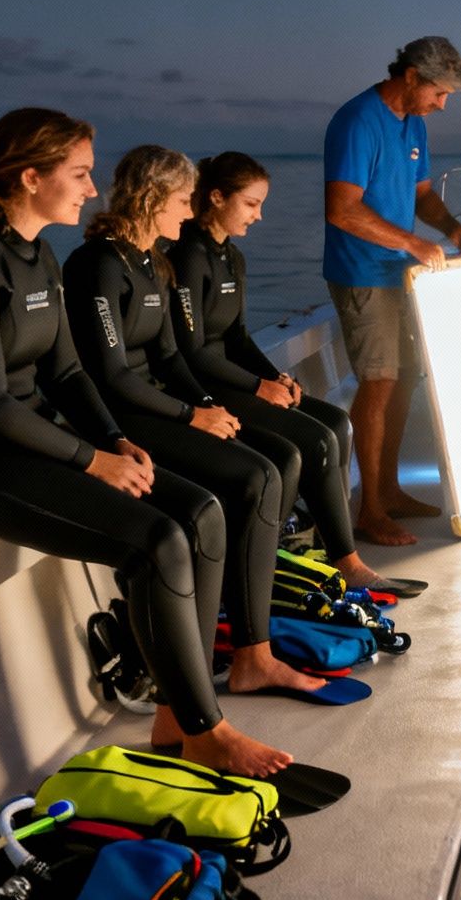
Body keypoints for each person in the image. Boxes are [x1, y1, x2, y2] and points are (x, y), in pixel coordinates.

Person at [0, 108, 291, 776]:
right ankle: (206, 730)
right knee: (154, 540)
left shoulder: (38, 253)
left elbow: (69, 372)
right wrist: (92, 460)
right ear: (31, 177)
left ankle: (176, 717)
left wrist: (114, 438)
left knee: (199, 512)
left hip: (30, 439)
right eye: (79, 173)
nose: (89, 190)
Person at [63, 145, 328, 706]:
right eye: (182, 200)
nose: (187, 214)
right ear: (153, 196)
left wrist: (209, 406)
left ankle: (252, 647)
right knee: (252, 479)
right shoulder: (97, 265)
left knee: (265, 469)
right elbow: (110, 374)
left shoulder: (152, 260)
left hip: (160, 403)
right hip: (120, 418)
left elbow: (169, 361)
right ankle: (236, 654)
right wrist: (191, 415)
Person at [170, 151, 407, 593]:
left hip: (234, 376)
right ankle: (347, 561)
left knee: (335, 421)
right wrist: (256, 386)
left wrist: (275, 377)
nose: (259, 216)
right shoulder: (188, 257)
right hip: (204, 386)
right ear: (217, 197)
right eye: (251, 204)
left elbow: (238, 338)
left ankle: (326, 546)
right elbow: (191, 350)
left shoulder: (231, 258)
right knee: (313, 440)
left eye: (262, 205)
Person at [322, 36, 461, 545]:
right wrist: (413, 241)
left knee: (406, 377)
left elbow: (422, 195)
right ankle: (368, 510)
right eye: (439, 93)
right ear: (411, 76)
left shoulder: (413, 124)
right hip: (362, 273)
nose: (442, 104)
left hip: (401, 272)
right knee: (379, 381)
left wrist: (451, 228)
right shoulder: (357, 121)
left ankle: (388, 491)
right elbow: (341, 209)